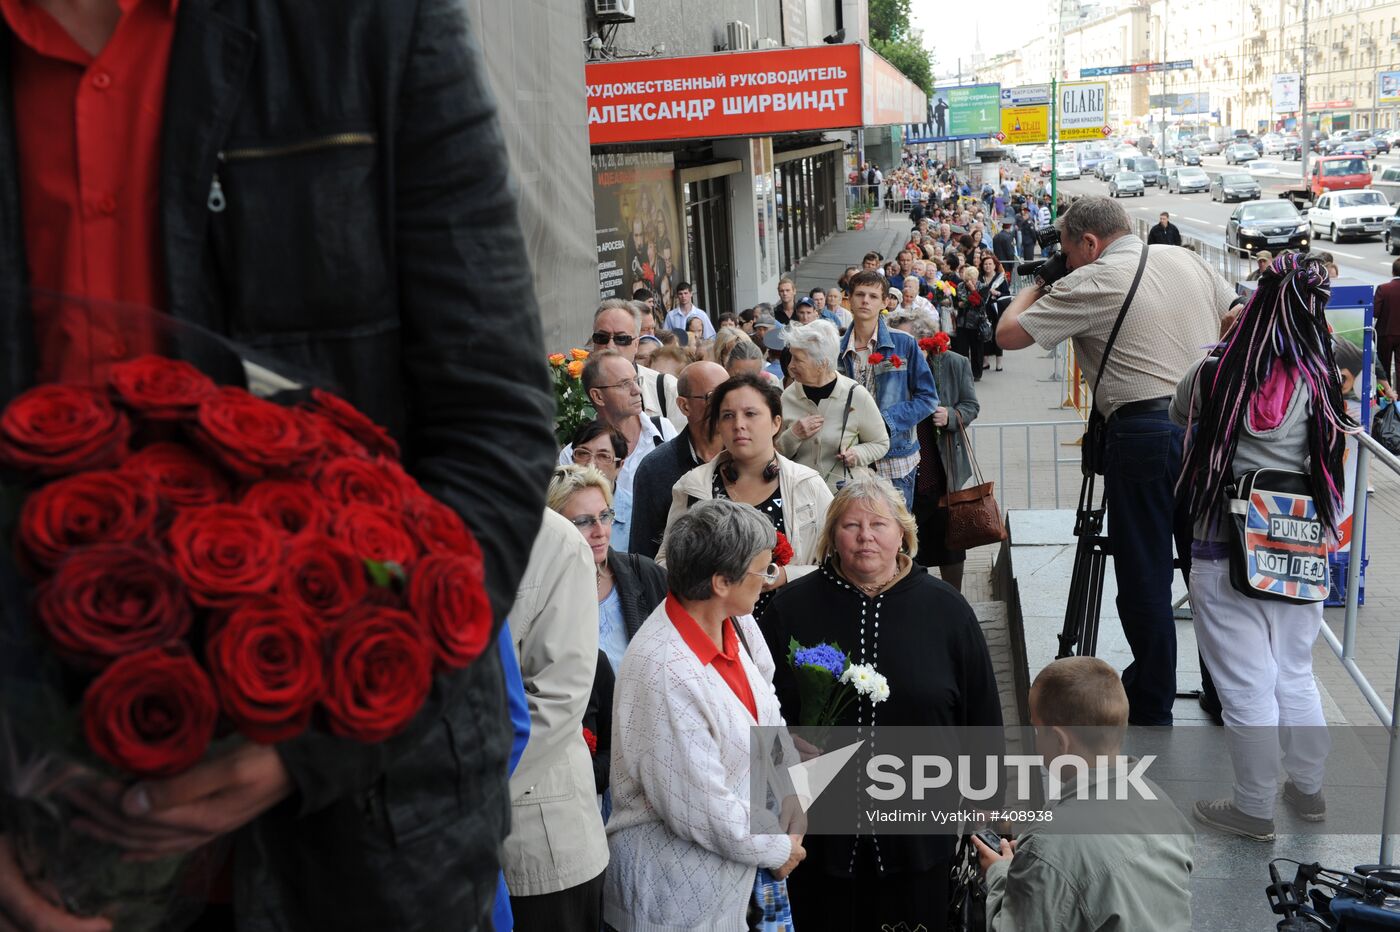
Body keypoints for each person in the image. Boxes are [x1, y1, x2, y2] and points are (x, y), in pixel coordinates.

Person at [0, 1, 558, 928]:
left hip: (362, 849)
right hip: (38, 850)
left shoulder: (373, 24)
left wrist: (314, 741)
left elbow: (493, 433)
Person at [997, 195, 1242, 726]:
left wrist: (1040, 282)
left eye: (1067, 249)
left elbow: (1008, 334)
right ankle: (1225, 692)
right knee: (1207, 568)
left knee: (1145, 576)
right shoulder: (1185, 258)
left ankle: (1152, 700)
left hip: (1144, 435)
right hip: (1207, 433)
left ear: (1089, 242)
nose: (1068, 259)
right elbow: (1236, 315)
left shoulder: (1092, 280)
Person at [761, 478, 1002, 932]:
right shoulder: (791, 608)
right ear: (833, 536)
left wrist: (984, 811)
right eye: (851, 525)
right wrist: (779, 746)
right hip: (817, 835)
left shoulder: (947, 610)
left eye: (878, 524)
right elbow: (759, 709)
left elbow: (982, 715)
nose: (865, 536)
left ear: (903, 534)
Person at [1174, 253, 1355, 840]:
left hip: (1221, 547)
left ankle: (1254, 807)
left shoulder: (1214, 372)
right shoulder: (1323, 380)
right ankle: (1308, 790)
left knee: (1247, 683)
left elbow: (1181, 413)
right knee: (1295, 674)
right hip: (1301, 546)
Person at [604, 500, 806, 931]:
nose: (767, 581)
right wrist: (779, 848)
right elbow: (700, 807)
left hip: (737, 883)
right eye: (761, 571)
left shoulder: (737, 623)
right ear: (720, 582)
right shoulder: (664, 669)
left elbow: (768, 716)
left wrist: (788, 807)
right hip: (673, 903)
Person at [977, 658, 1195, 931]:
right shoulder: (1160, 802)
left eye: (1035, 729)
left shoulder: (1050, 844)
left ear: (1059, 741)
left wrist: (999, 873)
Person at [503, 508, 610, 929]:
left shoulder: (752, 632)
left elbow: (558, 700)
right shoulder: (788, 611)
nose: (767, 578)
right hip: (779, 832)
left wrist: (779, 838)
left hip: (534, 830)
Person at [657, 374, 833, 616]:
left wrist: (782, 575)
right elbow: (666, 563)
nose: (738, 424)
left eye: (750, 414)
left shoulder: (808, 485)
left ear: (775, 423)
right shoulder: (693, 487)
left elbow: (835, 564)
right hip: (716, 628)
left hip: (791, 624)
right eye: (727, 416)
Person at [546, 465, 667, 801]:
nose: (599, 530)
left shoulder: (643, 574)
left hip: (648, 750)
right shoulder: (541, 595)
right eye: (583, 521)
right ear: (554, 527)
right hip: (586, 760)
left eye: (605, 516)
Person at [838, 270, 939, 509]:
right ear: (849, 298)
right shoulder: (835, 348)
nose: (865, 301)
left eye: (873, 296)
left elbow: (927, 398)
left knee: (896, 535)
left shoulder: (904, 343)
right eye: (860, 294)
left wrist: (885, 422)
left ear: (885, 302)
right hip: (850, 457)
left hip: (895, 457)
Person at [560, 351, 679, 553]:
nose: (637, 390)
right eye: (624, 384)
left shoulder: (663, 431)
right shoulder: (570, 455)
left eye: (635, 380)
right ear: (597, 396)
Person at [903, 320, 979, 591]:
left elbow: (971, 406)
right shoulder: (892, 369)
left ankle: (954, 600)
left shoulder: (954, 363)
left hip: (942, 476)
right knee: (908, 551)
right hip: (904, 479)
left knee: (950, 547)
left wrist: (950, 415)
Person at [629, 361, 729, 559]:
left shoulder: (746, 457)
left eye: (728, 395)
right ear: (684, 405)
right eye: (713, 397)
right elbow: (643, 552)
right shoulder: (656, 468)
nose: (724, 406)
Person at [777, 321, 889, 493]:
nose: (790, 365)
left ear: (822, 364)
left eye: (798, 359)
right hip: (801, 496)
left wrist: (857, 454)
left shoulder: (855, 395)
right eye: (791, 357)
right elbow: (774, 452)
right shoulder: (788, 396)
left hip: (845, 499)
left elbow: (881, 443)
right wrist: (793, 435)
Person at [592, 299, 684, 432]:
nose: (610, 346)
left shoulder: (666, 388)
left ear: (636, 345)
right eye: (601, 337)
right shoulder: (573, 393)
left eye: (622, 338)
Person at [951, 266, 989, 379]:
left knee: (977, 349)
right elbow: (956, 301)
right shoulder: (960, 286)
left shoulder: (983, 287)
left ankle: (977, 374)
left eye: (973, 279)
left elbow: (981, 304)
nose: (970, 281)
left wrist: (973, 290)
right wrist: (959, 304)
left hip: (977, 323)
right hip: (962, 322)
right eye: (968, 279)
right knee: (962, 350)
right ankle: (964, 373)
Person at [570, 419, 627, 492]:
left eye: (603, 456)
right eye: (583, 453)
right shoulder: (555, 501)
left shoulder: (634, 503)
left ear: (620, 465)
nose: (591, 464)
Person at [979, 255, 1010, 373]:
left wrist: (997, 293)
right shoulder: (980, 278)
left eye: (990, 264)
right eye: (985, 264)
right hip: (983, 310)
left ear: (994, 265)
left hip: (996, 310)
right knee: (985, 334)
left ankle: (999, 363)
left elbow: (1006, 294)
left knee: (997, 335)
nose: (987, 266)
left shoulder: (1000, 278)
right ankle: (985, 361)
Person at [1377, 257, 1400, 385]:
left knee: (1384, 367)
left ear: (1393, 272)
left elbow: (1374, 312)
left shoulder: (1383, 289)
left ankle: (1385, 397)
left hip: (1385, 333)